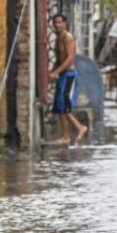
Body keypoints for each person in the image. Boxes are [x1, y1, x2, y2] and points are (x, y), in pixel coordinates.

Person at [50, 14, 87, 144]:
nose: (57, 25)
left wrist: (56, 72)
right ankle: (65, 136)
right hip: (62, 75)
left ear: (64, 23)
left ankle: (80, 128)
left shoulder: (68, 37)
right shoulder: (57, 39)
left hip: (69, 75)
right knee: (59, 106)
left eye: (60, 22)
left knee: (65, 106)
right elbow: (59, 59)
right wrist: (52, 72)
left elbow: (70, 57)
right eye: (55, 22)